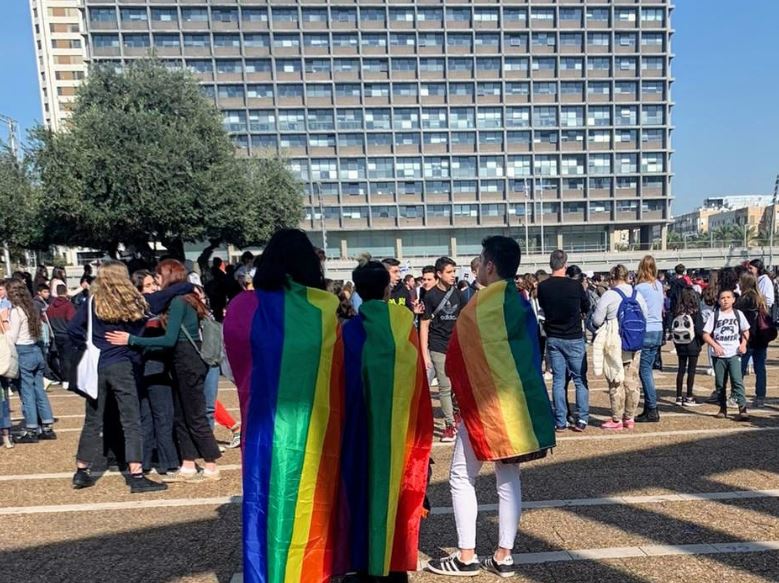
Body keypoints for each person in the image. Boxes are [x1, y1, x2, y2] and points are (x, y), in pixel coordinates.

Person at [427, 236, 555, 577]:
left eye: (482, 259)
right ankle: (503, 556)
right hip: (516, 405)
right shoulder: (520, 302)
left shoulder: (478, 307)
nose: (479, 266)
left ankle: (466, 555)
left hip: (484, 406)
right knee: (508, 476)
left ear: (490, 265)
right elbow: (531, 352)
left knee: (461, 475)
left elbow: (456, 358)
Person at [223, 229, 343, 583]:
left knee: (263, 497)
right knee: (310, 500)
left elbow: (235, 365)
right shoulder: (322, 310)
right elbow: (337, 370)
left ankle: (265, 573)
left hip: (262, 424)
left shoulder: (242, 306)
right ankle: (307, 572)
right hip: (313, 427)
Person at [340, 257, 433, 581]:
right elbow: (418, 383)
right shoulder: (403, 328)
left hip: (358, 428)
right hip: (398, 427)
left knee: (359, 490)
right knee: (395, 490)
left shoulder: (348, 332)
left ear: (358, 290)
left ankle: (362, 562)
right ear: (386, 289)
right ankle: (392, 560)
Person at [69, 260, 186, 493]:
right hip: (123, 363)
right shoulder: (134, 302)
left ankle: (81, 470)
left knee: (93, 419)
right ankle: (136, 474)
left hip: (97, 363)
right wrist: (189, 285)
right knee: (131, 420)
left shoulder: (92, 302)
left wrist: (88, 343)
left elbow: (73, 329)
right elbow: (172, 292)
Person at [107, 259, 222, 482]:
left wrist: (132, 340)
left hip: (187, 360)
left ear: (168, 276)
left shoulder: (179, 302)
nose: (157, 281)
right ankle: (188, 464)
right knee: (181, 414)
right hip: (183, 360)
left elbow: (169, 339)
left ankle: (211, 464)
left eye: (158, 276)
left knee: (194, 415)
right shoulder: (185, 298)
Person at [130, 270, 180, 476]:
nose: (154, 289)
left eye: (154, 284)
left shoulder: (131, 309)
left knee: (147, 416)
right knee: (162, 415)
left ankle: (146, 460)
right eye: (148, 285)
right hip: (155, 365)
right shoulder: (151, 313)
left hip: (140, 367)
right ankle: (168, 461)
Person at [537, 250, 590, 432]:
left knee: (558, 380)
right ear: (565, 265)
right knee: (579, 379)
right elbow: (586, 306)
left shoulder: (543, 286)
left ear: (550, 264)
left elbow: (543, 306)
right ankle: (581, 418)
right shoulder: (575, 285)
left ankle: (560, 420)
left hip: (554, 336)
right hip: (573, 336)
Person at [592, 264, 648, 431]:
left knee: (615, 379)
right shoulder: (637, 294)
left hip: (614, 340)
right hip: (634, 340)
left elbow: (596, 320)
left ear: (612, 278)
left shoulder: (609, 295)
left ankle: (617, 418)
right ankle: (629, 417)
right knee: (632, 380)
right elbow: (645, 316)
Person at [2, 280, 56, 443]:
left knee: (27, 392)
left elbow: (12, 337)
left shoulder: (16, 311)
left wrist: (4, 322)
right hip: (35, 350)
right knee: (39, 390)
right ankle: (47, 426)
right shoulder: (31, 308)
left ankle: (31, 429)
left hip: (23, 351)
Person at [420, 256, 466, 443]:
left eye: (454, 271)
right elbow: (424, 325)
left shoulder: (458, 295)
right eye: (449, 272)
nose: (453, 275)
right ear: (439, 274)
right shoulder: (430, 296)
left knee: (458, 385)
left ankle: (456, 414)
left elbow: (464, 320)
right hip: (438, 346)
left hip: (456, 346)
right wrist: (425, 354)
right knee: (445, 386)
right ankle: (449, 426)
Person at [703, 288, 750, 421]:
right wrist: (715, 345)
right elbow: (706, 334)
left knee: (737, 381)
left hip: (734, 353)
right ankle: (722, 408)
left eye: (728, 297)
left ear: (733, 300)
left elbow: (746, 331)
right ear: (718, 301)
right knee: (720, 383)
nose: (725, 300)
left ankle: (742, 408)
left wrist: (743, 344)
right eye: (723, 298)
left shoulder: (738, 314)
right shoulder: (715, 315)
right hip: (719, 355)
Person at [635, 255, 665, 423]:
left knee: (644, 371)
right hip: (658, 329)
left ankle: (652, 408)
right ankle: (649, 406)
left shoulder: (640, 288)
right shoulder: (658, 285)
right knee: (648, 369)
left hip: (646, 329)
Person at [735, 273, 769, 408]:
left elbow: (739, 321)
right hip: (761, 338)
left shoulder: (743, 300)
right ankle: (760, 397)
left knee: (740, 369)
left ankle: (737, 395)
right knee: (760, 368)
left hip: (748, 338)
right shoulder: (761, 298)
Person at [671, 288, 704, 406]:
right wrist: (700, 343)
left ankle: (678, 396)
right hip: (693, 344)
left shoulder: (677, 312)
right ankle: (689, 396)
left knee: (681, 369)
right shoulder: (695, 312)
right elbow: (700, 330)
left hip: (680, 344)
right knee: (691, 370)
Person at [46, 284, 76, 390]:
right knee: (68, 358)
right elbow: (72, 320)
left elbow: (47, 319)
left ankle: (64, 378)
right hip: (67, 335)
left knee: (60, 358)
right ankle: (68, 380)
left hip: (56, 335)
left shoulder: (50, 306)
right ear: (66, 291)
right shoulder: (68, 305)